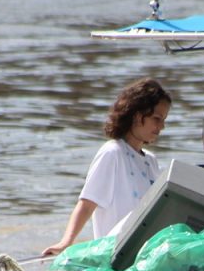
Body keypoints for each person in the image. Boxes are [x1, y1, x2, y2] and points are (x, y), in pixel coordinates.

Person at [43, 78, 172, 256]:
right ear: (136, 115)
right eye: (157, 119)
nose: (161, 127)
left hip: (145, 254)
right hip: (115, 256)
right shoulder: (112, 153)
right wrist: (66, 242)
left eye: (164, 120)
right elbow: (87, 204)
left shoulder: (151, 161)